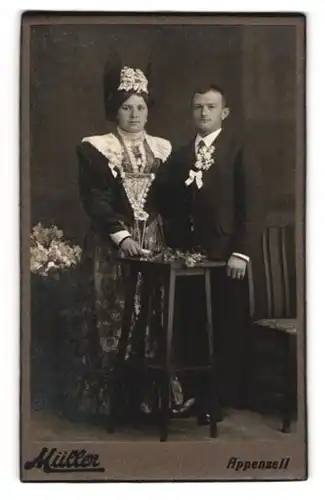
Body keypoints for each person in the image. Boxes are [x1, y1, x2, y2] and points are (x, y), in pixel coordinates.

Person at [75, 60, 186, 422]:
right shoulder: (95, 148)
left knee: (151, 315)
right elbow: (95, 198)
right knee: (113, 312)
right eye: (127, 107)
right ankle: (110, 404)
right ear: (115, 110)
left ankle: (151, 400)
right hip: (112, 244)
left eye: (140, 107)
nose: (134, 114)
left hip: (153, 240)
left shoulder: (164, 148)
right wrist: (120, 235)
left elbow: (170, 200)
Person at [156, 83, 261, 423]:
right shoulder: (181, 154)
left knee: (223, 326)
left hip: (224, 256)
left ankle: (218, 400)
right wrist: (172, 242)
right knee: (192, 325)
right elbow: (167, 201)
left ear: (224, 113)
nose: (204, 112)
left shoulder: (238, 149)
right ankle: (195, 395)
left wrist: (241, 254)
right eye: (198, 106)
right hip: (188, 257)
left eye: (211, 107)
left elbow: (251, 206)